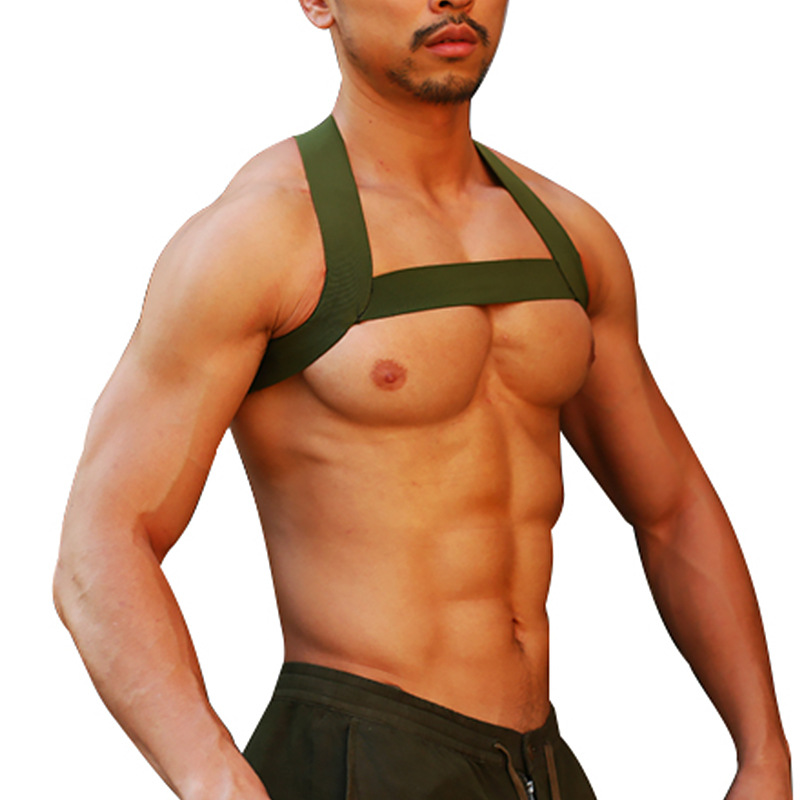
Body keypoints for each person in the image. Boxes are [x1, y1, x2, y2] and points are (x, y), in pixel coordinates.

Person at [53, 0, 791, 798]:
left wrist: (765, 754)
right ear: (318, 3)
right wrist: (213, 777)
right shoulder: (263, 235)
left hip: (538, 762)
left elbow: (671, 506)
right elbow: (102, 545)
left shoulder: (567, 235)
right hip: (360, 754)